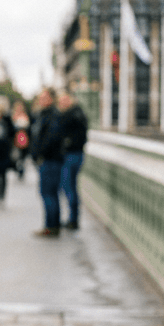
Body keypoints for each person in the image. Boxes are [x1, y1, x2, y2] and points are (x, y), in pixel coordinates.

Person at [31, 88, 65, 237]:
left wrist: (40, 153)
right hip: (49, 159)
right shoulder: (46, 114)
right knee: (50, 193)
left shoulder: (52, 115)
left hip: (50, 160)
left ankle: (51, 226)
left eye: (44, 97)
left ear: (51, 98)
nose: (41, 100)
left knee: (48, 193)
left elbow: (51, 138)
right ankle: (52, 225)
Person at [57, 89, 89, 229]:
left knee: (68, 186)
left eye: (64, 100)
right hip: (76, 154)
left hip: (71, 155)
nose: (62, 103)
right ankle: (73, 218)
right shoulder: (79, 113)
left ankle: (73, 219)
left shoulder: (71, 115)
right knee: (70, 187)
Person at [10, 100, 31, 179]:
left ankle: (21, 170)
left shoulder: (26, 116)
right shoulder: (12, 116)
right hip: (15, 139)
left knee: (22, 157)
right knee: (16, 156)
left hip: (24, 139)